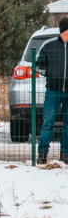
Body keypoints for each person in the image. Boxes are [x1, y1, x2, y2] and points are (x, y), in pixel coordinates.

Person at [35, 18, 68, 164]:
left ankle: (65, 154)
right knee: (48, 123)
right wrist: (49, 73)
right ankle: (42, 154)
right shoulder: (48, 45)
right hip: (53, 91)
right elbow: (38, 64)